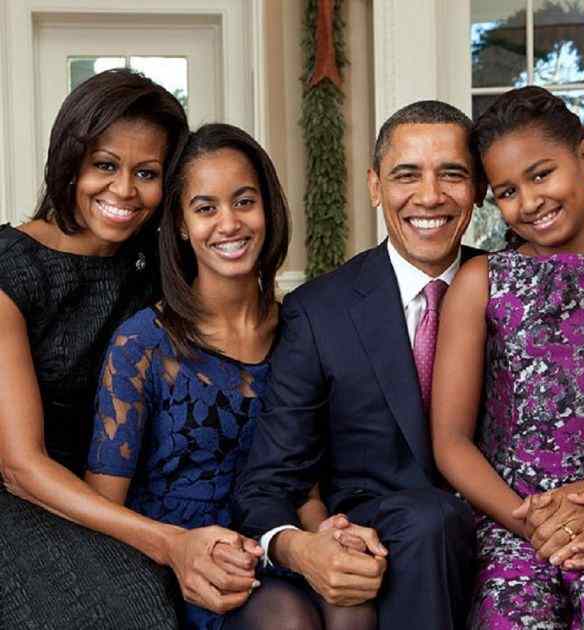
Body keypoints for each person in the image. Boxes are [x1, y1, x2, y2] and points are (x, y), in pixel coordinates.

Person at [85, 122, 376, 630]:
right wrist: (175, 549)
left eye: (244, 201)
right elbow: (103, 506)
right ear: (179, 223)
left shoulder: (301, 329)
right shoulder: (143, 343)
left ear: (268, 208)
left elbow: (301, 480)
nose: (229, 224)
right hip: (182, 563)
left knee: (351, 608)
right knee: (288, 619)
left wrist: (329, 535)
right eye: (205, 208)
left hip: (275, 542)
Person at [233, 100, 487, 629]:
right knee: (427, 519)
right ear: (375, 186)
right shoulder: (319, 311)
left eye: (452, 175)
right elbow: (267, 483)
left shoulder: (515, 289)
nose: (430, 196)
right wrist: (304, 549)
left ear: (478, 189)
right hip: (381, 541)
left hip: (502, 530)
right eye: (406, 175)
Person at [431, 85, 584, 628]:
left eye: (541, 175)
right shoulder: (482, 282)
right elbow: (450, 441)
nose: (530, 201)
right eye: (507, 191)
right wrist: (534, 524)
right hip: (511, 521)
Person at [0, 68, 192, 629]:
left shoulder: (152, 270)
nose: (124, 191)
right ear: (69, 161)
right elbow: (19, 465)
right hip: (21, 493)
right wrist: (164, 541)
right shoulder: (12, 270)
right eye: (104, 165)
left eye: (147, 172)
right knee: (133, 607)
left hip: (113, 485)